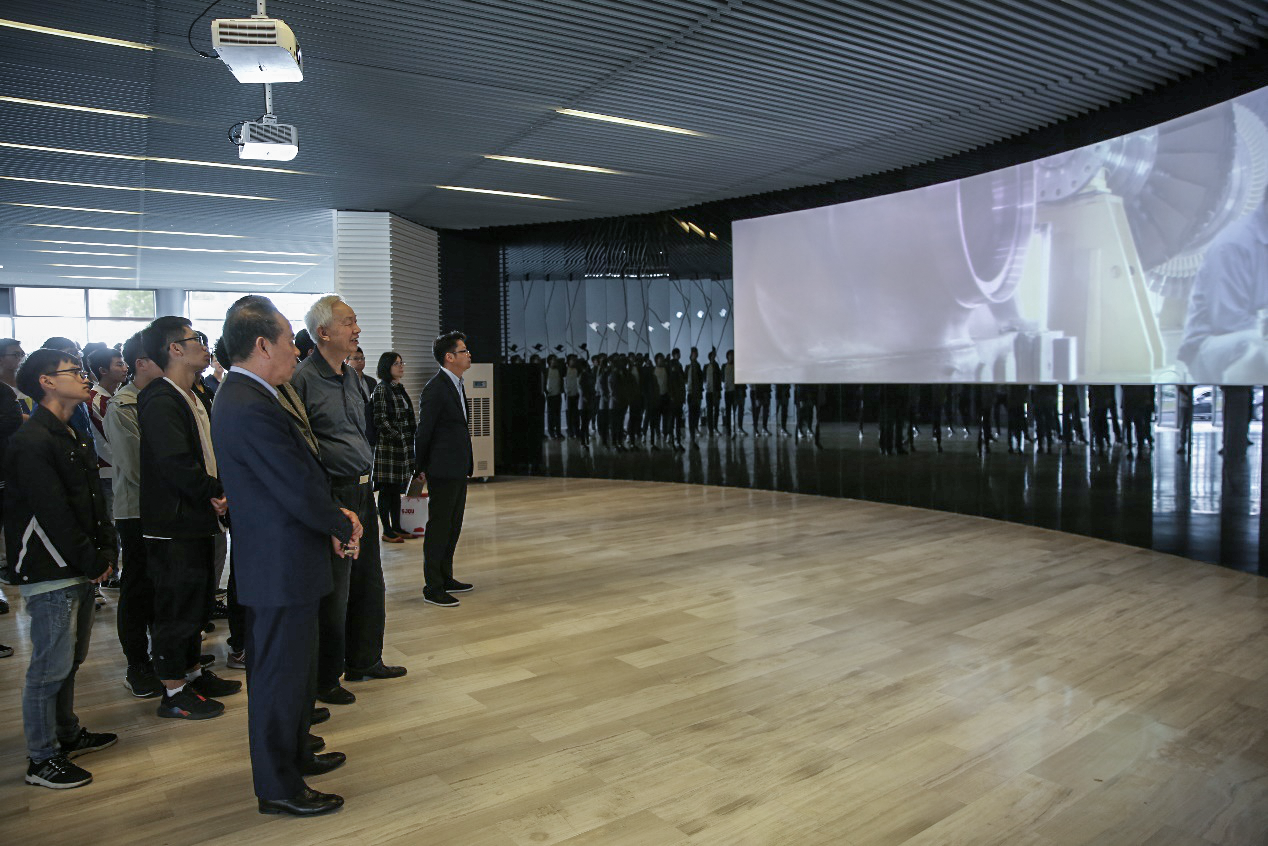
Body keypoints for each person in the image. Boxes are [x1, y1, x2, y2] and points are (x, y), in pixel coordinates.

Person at [212, 295, 361, 817]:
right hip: (279, 565)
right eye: (286, 341)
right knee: (278, 676)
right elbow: (293, 483)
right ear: (261, 344)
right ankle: (278, 785)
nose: (295, 352)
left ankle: (296, 754)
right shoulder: (247, 402)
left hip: (288, 560)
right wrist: (339, 520)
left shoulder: (252, 395)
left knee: (295, 670)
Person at [5, 348, 118, 788]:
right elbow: (51, 512)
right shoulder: (31, 439)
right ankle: (42, 758)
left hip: (77, 562)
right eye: (74, 372)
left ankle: (66, 733)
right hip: (50, 566)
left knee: (70, 659)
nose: (84, 377)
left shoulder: (71, 431)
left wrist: (105, 550)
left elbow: (90, 501)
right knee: (48, 667)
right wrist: (92, 559)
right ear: (47, 382)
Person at [291, 295, 404, 704]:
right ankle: (326, 678)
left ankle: (364, 659)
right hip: (333, 492)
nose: (357, 329)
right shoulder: (302, 380)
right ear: (323, 333)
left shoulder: (353, 377)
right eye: (349, 322)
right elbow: (301, 448)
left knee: (369, 579)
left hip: (362, 489)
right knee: (335, 589)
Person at [138, 317, 240, 719]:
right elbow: (175, 464)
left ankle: (193, 672)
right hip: (173, 524)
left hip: (197, 517)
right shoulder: (160, 398)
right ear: (174, 349)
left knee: (196, 603)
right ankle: (173, 691)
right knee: (175, 607)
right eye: (194, 338)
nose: (203, 344)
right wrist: (216, 491)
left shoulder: (194, 394)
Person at [104, 334, 165, 698]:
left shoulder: (168, 397)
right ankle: (137, 663)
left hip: (167, 508)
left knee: (163, 586)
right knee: (138, 587)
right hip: (138, 510)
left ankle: (166, 655)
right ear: (141, 363)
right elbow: (135, 466)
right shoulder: (123, 405)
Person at [414, 330, 476, 607]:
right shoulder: (436, 388)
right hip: (442, 468)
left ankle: (445, 576)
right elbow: (424, 431)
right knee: (439, 527)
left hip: (457, 466)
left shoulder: (457, 384)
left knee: (453, 525)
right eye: (463, 351)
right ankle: (433, 586)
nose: (468, 355)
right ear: (449, 357)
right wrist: (419, 466)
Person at [370, 352, 418, 544]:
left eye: (401, 363)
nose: (401, 366)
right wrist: (398, 436)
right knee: (386, 490)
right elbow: (380, 420)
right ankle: (387, 530)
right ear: (387, 367)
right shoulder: (382, 389)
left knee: (397, 490)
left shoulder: (399, 388)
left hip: (402, 447)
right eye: (396, 363)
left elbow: (408, 416)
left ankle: (397, 526)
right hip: (389, 449)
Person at [87, 347, 127, 519]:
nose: (125, 368)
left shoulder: (117, 396)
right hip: (109, 470)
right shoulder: (94, 399)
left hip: (123, 468)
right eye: (119, 364)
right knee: (114, 520)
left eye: (124, 363)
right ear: (103, 370)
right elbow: (105, 439)